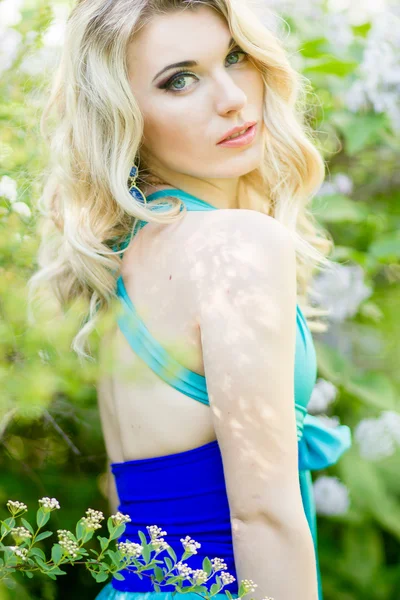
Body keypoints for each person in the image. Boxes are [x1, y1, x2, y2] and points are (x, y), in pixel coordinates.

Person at [28, 1, 352, 599]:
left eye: (235, 57)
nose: (231, 97)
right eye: (180, 79)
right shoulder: (236, 246)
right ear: (123, 116)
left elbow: (125, 497)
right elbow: (264, 518)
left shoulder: (121, 256)